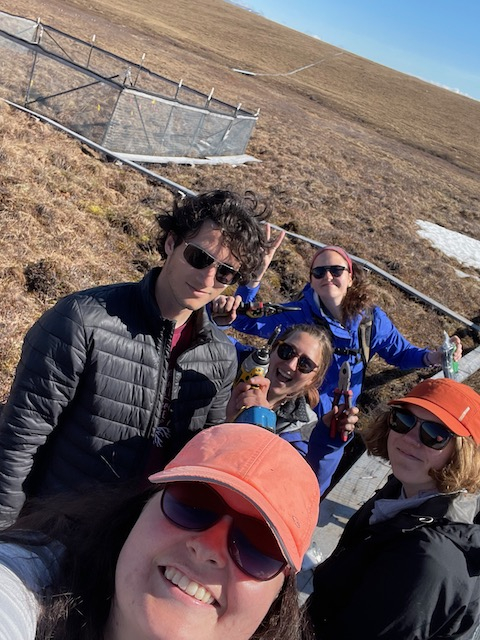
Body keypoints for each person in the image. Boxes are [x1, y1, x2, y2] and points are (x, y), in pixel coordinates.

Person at [0, 189, 271, 528]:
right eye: (199, 257)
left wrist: (237, 427)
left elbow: (200, 461)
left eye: (225, 273)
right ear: (171, 242)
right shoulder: (82, 321)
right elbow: (18, 440)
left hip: (138, 544)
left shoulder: (220, 355)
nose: (207, 279)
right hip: (54, 533)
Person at [0, 422, 320, 640]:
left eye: (258, 543)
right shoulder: (26, 580)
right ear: (141, 508)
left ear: (279, 598)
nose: (208, 549)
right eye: (192, 502)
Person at [211, 237, 463, 494]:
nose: (327, 276)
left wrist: (432, 357)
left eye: (336, 270)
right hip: (297, 414)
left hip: (339, 420)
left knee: (312, 482)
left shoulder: (371, 322)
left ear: (351, 277)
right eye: (318, 271)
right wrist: (252, 280)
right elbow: (243, 321)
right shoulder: (298, 313)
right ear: (311, 280)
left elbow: (398, 352)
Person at [305, 378, 480, 640]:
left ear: (463, 454)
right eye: (403, 420)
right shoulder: (405, 487)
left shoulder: (425, 561)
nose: (409, 439)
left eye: (435, 435)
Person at [226, 324, 358, 456]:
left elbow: (282, 473)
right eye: (287, 351)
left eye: (305, 364)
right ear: (273, 348)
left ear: (312, 379)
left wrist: (260, 419)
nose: (290, 365)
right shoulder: (231, 365)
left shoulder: (304, 428)